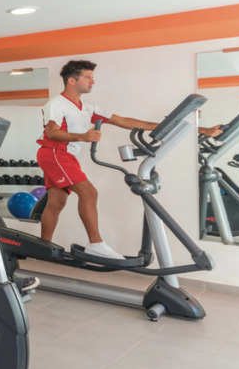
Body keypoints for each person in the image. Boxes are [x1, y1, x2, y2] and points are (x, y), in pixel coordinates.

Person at [36, 60, 222, 259]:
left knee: (56, 202)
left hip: (64, 155)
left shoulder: (88, 107)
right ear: (72, 81)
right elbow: (52, 132)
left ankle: (43, 247)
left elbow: (124, 121)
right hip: (55, 153)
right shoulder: (57, 103)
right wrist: (82, 136)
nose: (93, 81)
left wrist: (201, 129)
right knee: (89, 193)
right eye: (88, 77)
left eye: (92, 77)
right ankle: (96, 244)